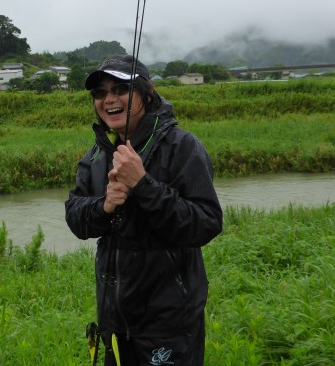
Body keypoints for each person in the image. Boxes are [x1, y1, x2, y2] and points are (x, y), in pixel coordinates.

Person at [65, 55, 223, 366]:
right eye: (99, 93)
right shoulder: (97, 154)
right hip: (114, 319)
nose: (109, 99)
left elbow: (206, 223)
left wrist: (143, 184)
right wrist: (105, 205)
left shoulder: (182, 147)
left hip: (169, 323)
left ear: (146, 93)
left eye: (120, 89)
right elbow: (75, 217)